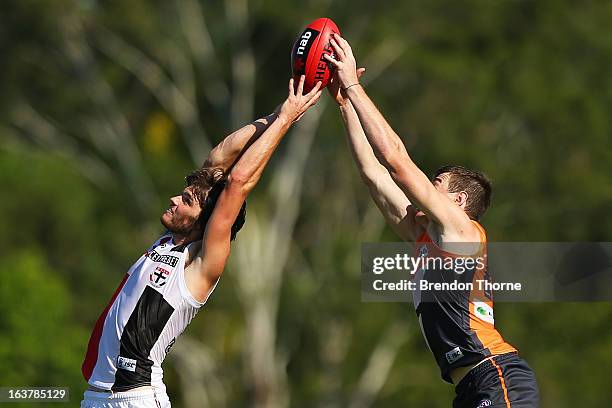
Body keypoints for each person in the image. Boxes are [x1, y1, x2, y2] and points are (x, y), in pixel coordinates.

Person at [324, 34, 539, 408]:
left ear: (457, 202)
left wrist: (354, 86)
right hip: (469, 386)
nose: (425, 189)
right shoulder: (426, 239)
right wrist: (344, 105)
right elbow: (374, 176)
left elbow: (395, 160)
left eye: (435, 184)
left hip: (496, 372)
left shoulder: (461, 230)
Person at [80, 76, 322, 408]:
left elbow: (236, 183)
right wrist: (277, 112)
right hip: (96, 397)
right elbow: (219, 158)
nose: (174, 200)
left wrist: (286, 122)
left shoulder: (201, 263)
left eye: (186, 201)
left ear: (205, 221)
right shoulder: (168, 240)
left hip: (136, 398)